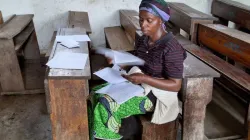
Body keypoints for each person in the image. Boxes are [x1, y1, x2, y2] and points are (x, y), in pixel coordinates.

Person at [90, 0, 186, 139]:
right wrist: (119, 62)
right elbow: (138, 58)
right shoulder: (144, 39)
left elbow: (175, 85)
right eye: (141, 20)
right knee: (95, 93)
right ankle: (97, 134)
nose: (143, 24)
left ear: (161, 20)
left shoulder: (171, 48)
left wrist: (144, 78)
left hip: (157, 95)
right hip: (138, 84)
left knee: (106, 105)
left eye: (149, 20)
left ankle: (113, 136)